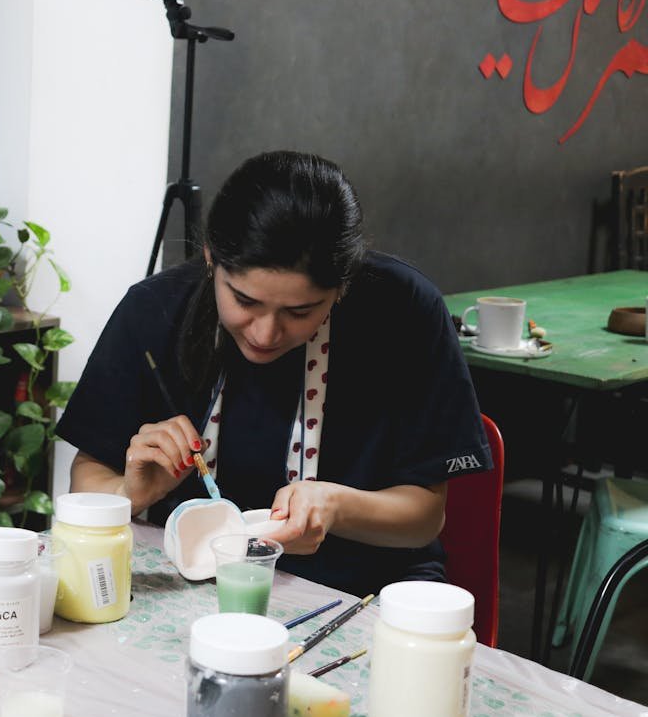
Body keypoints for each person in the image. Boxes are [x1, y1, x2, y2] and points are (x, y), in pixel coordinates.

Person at [58, 151, 491, 596]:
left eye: (300, 311)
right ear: (211, 258)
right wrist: (131, 492)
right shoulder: (155, 311)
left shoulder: (403, 311)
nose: (266, 333)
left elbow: (422, 518)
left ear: (342, 286)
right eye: (244, 302)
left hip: (364, 590)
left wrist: (335, 506)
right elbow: (87, 478)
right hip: (193, 580)